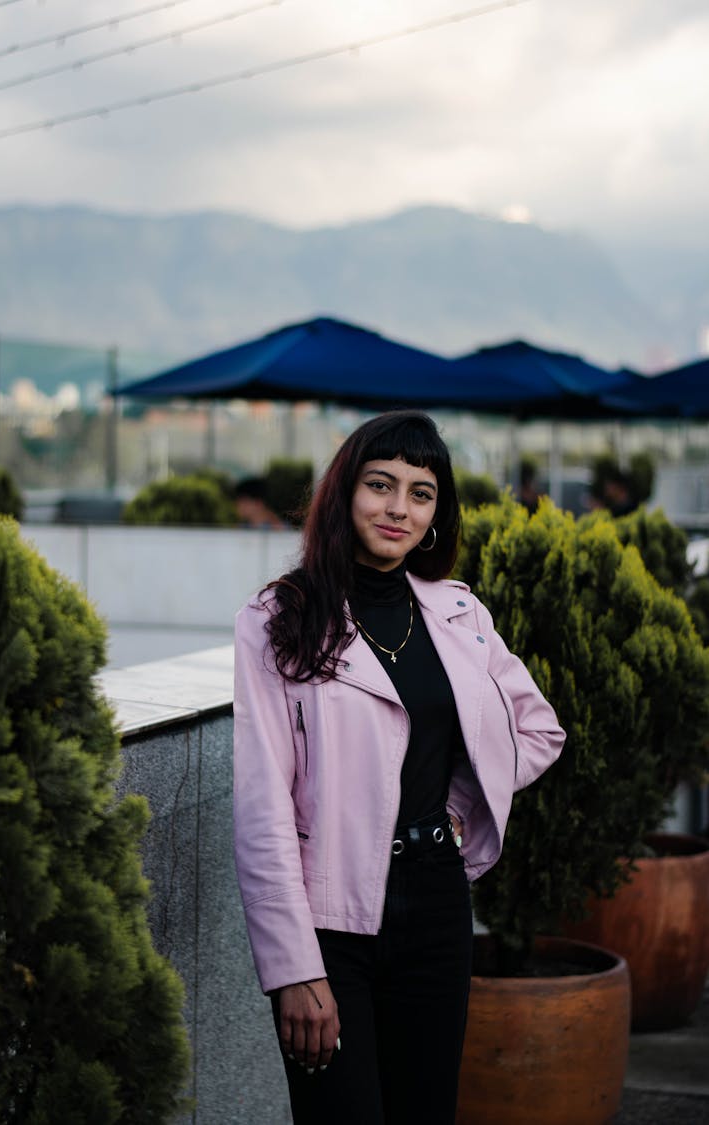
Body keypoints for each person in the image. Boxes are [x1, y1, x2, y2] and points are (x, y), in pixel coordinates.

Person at [233, 411, 565, 1125]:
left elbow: (538, 730)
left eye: (421, 492)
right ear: (345, 493)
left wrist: (456, 811)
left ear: (438, 513)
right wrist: (293, 966)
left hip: (437, 905)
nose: (399, 508)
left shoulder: (458, 612)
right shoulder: (277, 618)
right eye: (381, 485)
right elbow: (262, 807)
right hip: (332, 921)